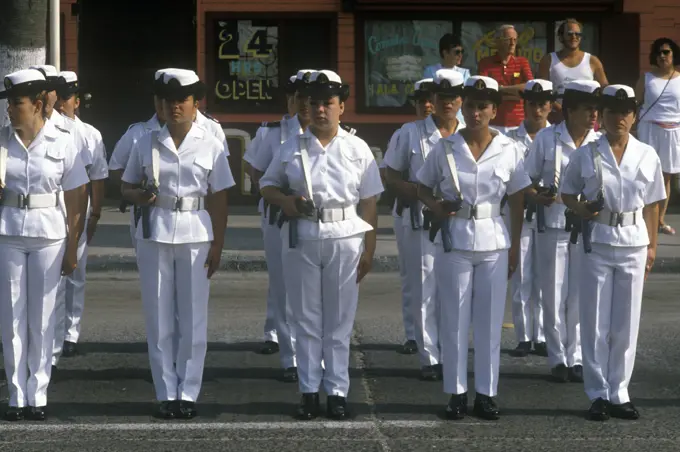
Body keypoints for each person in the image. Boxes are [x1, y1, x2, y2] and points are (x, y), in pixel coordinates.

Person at [260, 70, 383, 420]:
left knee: (340, 321)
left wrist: (370, 248)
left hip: (345, 235)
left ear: (341, 107)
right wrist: (284, 200)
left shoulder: (358, 148)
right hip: (303, 234)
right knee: (306, 318)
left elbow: (370, 201)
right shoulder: (290, 147)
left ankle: (338, 391)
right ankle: (309, 391)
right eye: (312, 103)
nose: (319, 110)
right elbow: (267, 186)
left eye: (327, 103)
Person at [121, 69, 234, 419]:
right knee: (158, 318)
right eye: (169, 101)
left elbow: (219, 197)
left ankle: (188, 392)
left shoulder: (211, 141)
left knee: (192, 317)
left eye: (182, 100)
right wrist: (139, 195)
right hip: (155, 230)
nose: (175, 107)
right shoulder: (144, 140)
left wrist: (218, 243)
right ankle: (165, 392)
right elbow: (125, 187)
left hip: (196, 232)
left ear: (194, 102)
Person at [416, 75, 531, 420]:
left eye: (483, 106)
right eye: (471, 105)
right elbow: (421, 185)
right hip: (455, 237)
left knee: (489, 321)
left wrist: (514, 248)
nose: (476, 111)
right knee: (454, 319)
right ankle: (455, 393)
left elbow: (517, 200)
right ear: (463, 109)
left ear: (495, 109)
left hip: (494, 238)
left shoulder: (510, 149)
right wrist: (435, 206)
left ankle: (486, 393)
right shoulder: (445, 147)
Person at [560, 84, 665, 421]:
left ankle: (620, 391)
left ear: (634, 117)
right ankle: (598, 393)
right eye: (611, 112)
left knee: (625, 323)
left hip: (634, 241)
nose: (618, 118)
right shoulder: (586, 154)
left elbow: (652, 204)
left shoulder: (647, 154)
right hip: (598, 240)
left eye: (625, 112)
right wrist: (580, 209)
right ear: (601, 117)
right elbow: (566, 192)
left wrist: (652, 246)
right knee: (593, 321)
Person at [0, 69, 88, 420]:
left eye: (16, 103)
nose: (9, 110)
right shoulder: (2, 141)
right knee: (12, 317)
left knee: (42, 317)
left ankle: (38, 394)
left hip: (49, 233)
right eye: (8, 103)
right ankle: (16, 396)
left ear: (37, 105)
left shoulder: (63, 141)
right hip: (8, 231)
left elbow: (76, 195)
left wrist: (72, 246)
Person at [384, 69, 464, 381]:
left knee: (455, 289)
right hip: (420, 219)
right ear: (431, 99)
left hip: (460, 222)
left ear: (461, 100)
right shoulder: (410, 132)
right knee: (423, 287)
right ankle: (429, 355)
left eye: (453, 97)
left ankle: (451, 349)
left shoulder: (470, 132)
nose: (447, 103)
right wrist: (424, 197)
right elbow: (391, 176)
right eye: (441, 97)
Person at [524, 80, 601, 383]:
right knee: (553, 294)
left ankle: (577, 356)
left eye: (596, 109)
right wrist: (536, 194)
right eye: (587, 109)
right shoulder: (546, 138)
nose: (594, 114)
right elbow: (525, 179)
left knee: (581, 294)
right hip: (554, 224)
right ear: (569, 111)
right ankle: (557, 357)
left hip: (589, 228)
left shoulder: (600, 141)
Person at [244, 69, 314, 379]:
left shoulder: (339, 135)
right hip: (278, 215)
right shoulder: (272, 133)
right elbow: (253, 166)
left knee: (313, 288)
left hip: (316, 220)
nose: (301, 104)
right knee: (283, 282)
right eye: (296, 98)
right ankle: (291, 356)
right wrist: (276, 193)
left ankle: (315, 352)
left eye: (307, 99)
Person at [52, 71, 109, 361]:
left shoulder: (89, 134)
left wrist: (96, 212)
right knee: (52, 274)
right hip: (50, 204)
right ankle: (52, 331)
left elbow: (97, 175)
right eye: (59, 97)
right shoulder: (47, 129)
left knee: (75, 272)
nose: (63, 104)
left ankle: (70, 333)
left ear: (77, 101)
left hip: (79, 203)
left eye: (68, 98)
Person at [380, 78, 435, 356]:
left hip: (449, 216)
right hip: (413, 214)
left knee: (443, 278)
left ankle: (439, 334)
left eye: (430, 99)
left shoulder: (459, 132)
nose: (426, 105)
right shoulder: (407, 133)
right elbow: (390, 175)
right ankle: (415, 335)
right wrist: (420, 192)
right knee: (415, 277)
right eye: (420, 100)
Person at [505, 79, 554, 358]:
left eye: (543, 103)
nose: (538, 109)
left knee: (547, 276)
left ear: (550, 106)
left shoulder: (557, 137)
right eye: (533, 103)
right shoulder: (510, 138)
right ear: (525, 105)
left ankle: (545, 335)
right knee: (522, 273)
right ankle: (524, 336)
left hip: (549, 213)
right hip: (520, 212)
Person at [109, 69, 172, 250]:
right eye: (158, 98)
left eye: (166, 98)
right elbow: (115, 169)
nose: (162, 104)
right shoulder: (137, 133)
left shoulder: (200, 135)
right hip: (146, 213)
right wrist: (134, 188)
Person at [635, 37, 680, 236]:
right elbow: (634, 103)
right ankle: (640, 217)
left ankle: (660, 220)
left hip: (673, 131)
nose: (662, 56)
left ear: (673, 55)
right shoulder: (646, 78)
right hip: (649, 129)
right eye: (659, 52)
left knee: (665, 177)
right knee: (644, 174)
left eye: (667, 52)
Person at [538, 18, 609, 124]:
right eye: (570, 34)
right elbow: (542, 91)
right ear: (561, 37)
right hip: (558, 119)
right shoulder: (548, 60)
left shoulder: (592, 61)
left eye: (577, 34)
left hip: (587, 120)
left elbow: (605, 89)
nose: (574, 37)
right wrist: (562, 110)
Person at [477, 25, 534, 135]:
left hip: (518, 124)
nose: (512, 43)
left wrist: (500, 89)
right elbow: (484, 92)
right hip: (493, 124)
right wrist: (516, 93)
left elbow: (529, 87)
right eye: (508, 39)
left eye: (515, 40)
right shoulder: (485, 63)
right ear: (498, 42)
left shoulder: (522, 62)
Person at [423, 34, 470, 126]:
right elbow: (427, 97)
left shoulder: (465, 73)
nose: (460, 55)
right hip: (436, 122)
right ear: (445, 53)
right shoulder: (431, 71)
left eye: (462, 52)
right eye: (457, 52)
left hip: (459, 122)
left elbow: (467, 100)